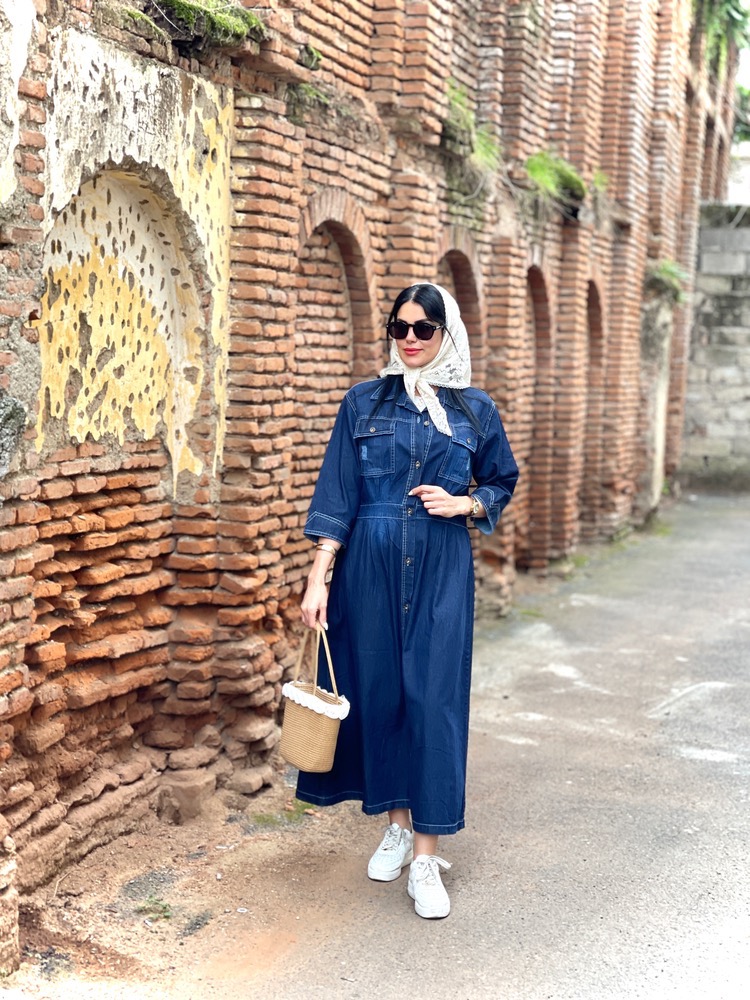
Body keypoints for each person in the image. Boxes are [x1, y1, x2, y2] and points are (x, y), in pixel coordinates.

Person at [296, 282, 518, 919]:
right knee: (382, 694)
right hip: (367, 568)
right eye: (400, 327)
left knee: (433, 699)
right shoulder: (363, 401)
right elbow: (338, 493)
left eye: (425, 328)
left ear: (447, 334)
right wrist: (318, 577)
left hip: (442, 565)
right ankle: (396, 825)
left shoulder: (475, 409)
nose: (411, 339)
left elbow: (502, 479)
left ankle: (426, 856)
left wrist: (465, 503)